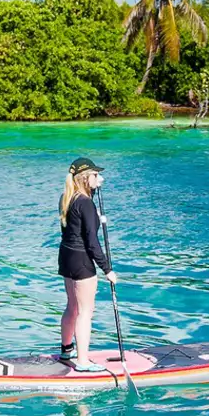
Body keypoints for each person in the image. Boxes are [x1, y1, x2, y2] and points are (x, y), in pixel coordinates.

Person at [57, 157, 114, 372]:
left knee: (72, 306)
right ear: (84, 178)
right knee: (85, 312)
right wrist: (107, 269)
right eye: (96, 175)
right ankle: (82, 362)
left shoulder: (67, 197)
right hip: (82, 261)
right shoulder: (86, 203)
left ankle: (66, 349)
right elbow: (92, 242)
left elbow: (71, 231)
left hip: (66, 256)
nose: (101, 179)